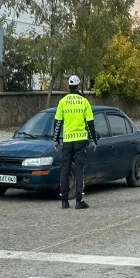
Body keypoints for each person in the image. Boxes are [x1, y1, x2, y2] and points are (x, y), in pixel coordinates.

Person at [53, 75, 98, 209]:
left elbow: (57, 123)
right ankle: (79, 201)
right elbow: (90, 124)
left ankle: (64, 201)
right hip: (80, 141)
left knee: (65, 170)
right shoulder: (84, 102)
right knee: (79, 169)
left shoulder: (63, 102)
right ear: (79, 86)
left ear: (69, 86)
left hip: (67, 141)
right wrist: (94, 140)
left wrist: (55, 140)